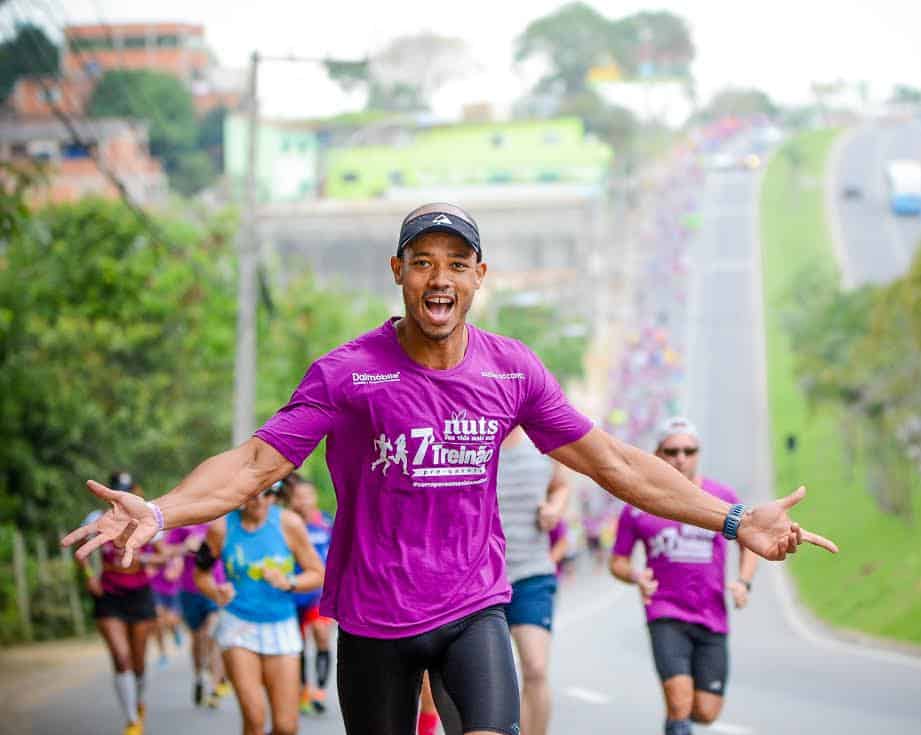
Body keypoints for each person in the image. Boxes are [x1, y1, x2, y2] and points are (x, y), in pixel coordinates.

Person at [64, 202, 837, 735]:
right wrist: (160, 510)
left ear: (479, 275)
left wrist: (733, 518)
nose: (441, 278)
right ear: (398, 270)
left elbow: (615, 463)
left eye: (457, 264)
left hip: (473, 606)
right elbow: (254, 463)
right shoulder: (346, 374)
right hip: (372, 620)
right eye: (424, 262)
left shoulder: (512, 371)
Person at [609, 418, 760, 735]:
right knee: (679, 702)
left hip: (712, 616)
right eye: (672, 451)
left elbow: (752, 541)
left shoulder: (722, 497)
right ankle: (677, 720)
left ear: (698, 453)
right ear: (658, 454)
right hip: (665, 613)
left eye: (689, 451)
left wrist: (743, 582)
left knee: (705, 711)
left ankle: (676, 724)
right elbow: (617, 562)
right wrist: (636, 577)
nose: (681, 458)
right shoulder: (639, 504)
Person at [195, 481, 324, 735]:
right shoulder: (221, 528)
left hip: (281, 626)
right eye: (252, 495)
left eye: (267, 494)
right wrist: (215, 590)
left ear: (275, 496)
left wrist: (289, 582)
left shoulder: (289, 523)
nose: (259, 501)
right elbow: (201, 574)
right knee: (254, 719)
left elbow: (318, 573)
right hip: (238, 627)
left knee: (286, 726)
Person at [495, 426, 569, 735]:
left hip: (532, 573)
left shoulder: (542, 443)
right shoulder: (473, 437)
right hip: (482, 577)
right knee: (490, 678)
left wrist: (554, 509)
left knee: (536, 668)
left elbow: (561, 486)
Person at [78, 471, 158, 735]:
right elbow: (82, 550)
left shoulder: (147, 515)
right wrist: (90, 577)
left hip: (140, 593)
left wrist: (170, 562)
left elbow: (162, 551)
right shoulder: (95, 519)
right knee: (121, 657)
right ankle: (132, 718)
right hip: (109, 595)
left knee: (138, 661)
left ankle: (139, 699)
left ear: (133, 491)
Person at [285, 474, 335, 715]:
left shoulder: (326, 522)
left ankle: (320, 690)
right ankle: (304, 689)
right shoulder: (287, 524)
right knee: (298, 645)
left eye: (307, 496)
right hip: (292, 593)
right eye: (298, 497)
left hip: (319, 593)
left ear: (314, 497)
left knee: (321, 634)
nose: (303, 501)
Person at [164, 521, 228, 707]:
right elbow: (165, 552)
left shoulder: (220, 522)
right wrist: (185, 547)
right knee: (198, 637)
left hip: (215, 585)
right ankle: (199, 676)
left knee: (212, 632)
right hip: (189, 589)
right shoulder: (184, 523)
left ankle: (215, 686)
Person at [148, 537, 184, 669]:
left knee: (171, 620)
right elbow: (147, 570)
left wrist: (174, 568)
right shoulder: (149, 550)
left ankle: (175, 629)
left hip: (172, 590)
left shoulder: (171, 547)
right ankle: (163, 654)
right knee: (158, 620)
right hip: (155, 590)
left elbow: (176, 570)